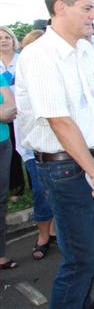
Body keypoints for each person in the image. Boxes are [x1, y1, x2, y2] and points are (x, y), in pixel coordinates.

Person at [15, 0, 94, 308]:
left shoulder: (85, 50)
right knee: (81, 259)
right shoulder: (39, 55)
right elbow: (60, 122)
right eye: (87, 8)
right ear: (60, 7)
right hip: (66, 169)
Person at [14, 29, 56, 260]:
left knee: (59, 195)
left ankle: (55, 231)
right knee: (41, 193)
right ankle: (42, 236)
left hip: (61, 150)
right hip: (35, 149)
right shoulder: (27, 74)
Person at [0, 26, 26, 201]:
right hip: (5, 114)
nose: (3, 40)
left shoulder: (22, 59)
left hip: (23, 110)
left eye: (6, 37)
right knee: (11, 150)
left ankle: (30, 184)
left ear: (13, 40)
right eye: (0, 38)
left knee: (24, 148)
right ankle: (15, 187)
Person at [0, 73, 17, 269]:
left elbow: (11, 109)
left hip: (2, 142)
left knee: (1, 200)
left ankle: (0, 254)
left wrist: (3, 112)